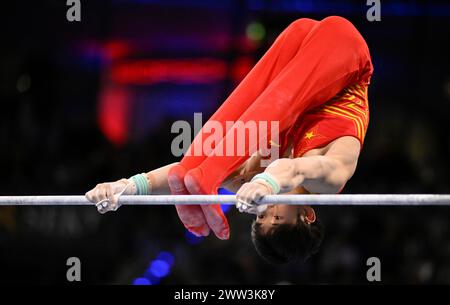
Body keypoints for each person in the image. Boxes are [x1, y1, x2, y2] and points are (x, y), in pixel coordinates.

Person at [86, 16, 373, 264]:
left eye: (260, 218)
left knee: (216, 149)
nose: (266, 210)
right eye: (277, 218)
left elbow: (176, 173)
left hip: (299, 43)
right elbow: (293, 170)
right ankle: (208, 175)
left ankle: (204, 175)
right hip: (344, 52)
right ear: (307, 214)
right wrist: (265, 183)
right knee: (270, 112)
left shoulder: (258, 178)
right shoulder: (331, 178)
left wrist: (125, 187)